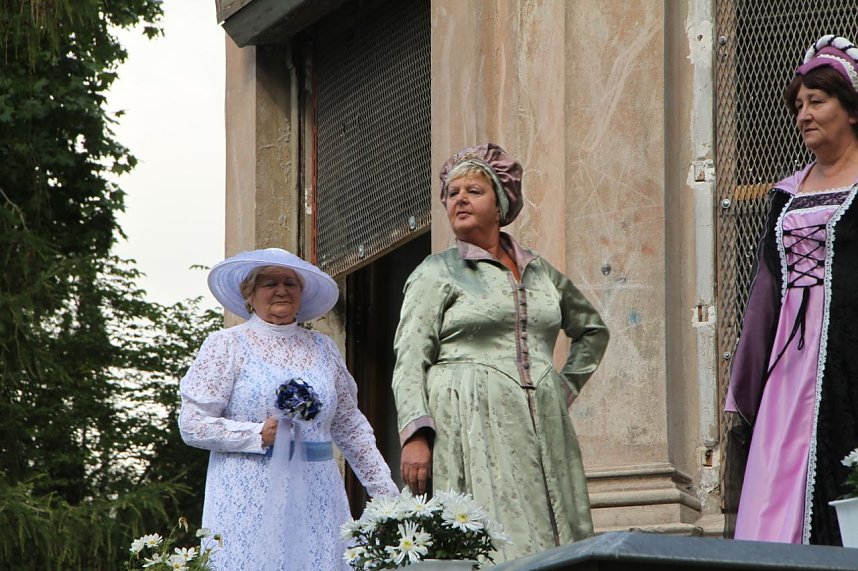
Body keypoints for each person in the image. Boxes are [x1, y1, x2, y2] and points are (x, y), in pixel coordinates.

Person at [391, 143, 610, 562]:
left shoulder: (540, 271)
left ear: (501, 202)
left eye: (473, 191)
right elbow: (410, 359)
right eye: (452, 193)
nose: (459, 199)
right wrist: (416, 435)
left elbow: (592, 330)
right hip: (466, 417)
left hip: (541, 421)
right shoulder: (436, 271)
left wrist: (559, 388)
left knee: (551, 528)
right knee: (489, 533)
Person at [179, 248, 398, 570]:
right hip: (248, 492)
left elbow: (350, 425)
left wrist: (386, 495)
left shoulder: (323, 347)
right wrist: (255, 433)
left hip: (317, 491)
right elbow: (192, 424)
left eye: (290, 283)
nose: (281, 290)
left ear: (301, 294)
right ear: (249, 295)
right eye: (269, 283)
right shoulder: (226, 345)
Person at [725, 34, 858, 545]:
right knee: (779, 467)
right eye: (798, 105)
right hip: (790, 361)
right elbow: (766, 290)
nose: (803, 114)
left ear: (851, 111)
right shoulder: (785, 193)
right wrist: (747, 378)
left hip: (847, 352)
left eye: (817, 101)